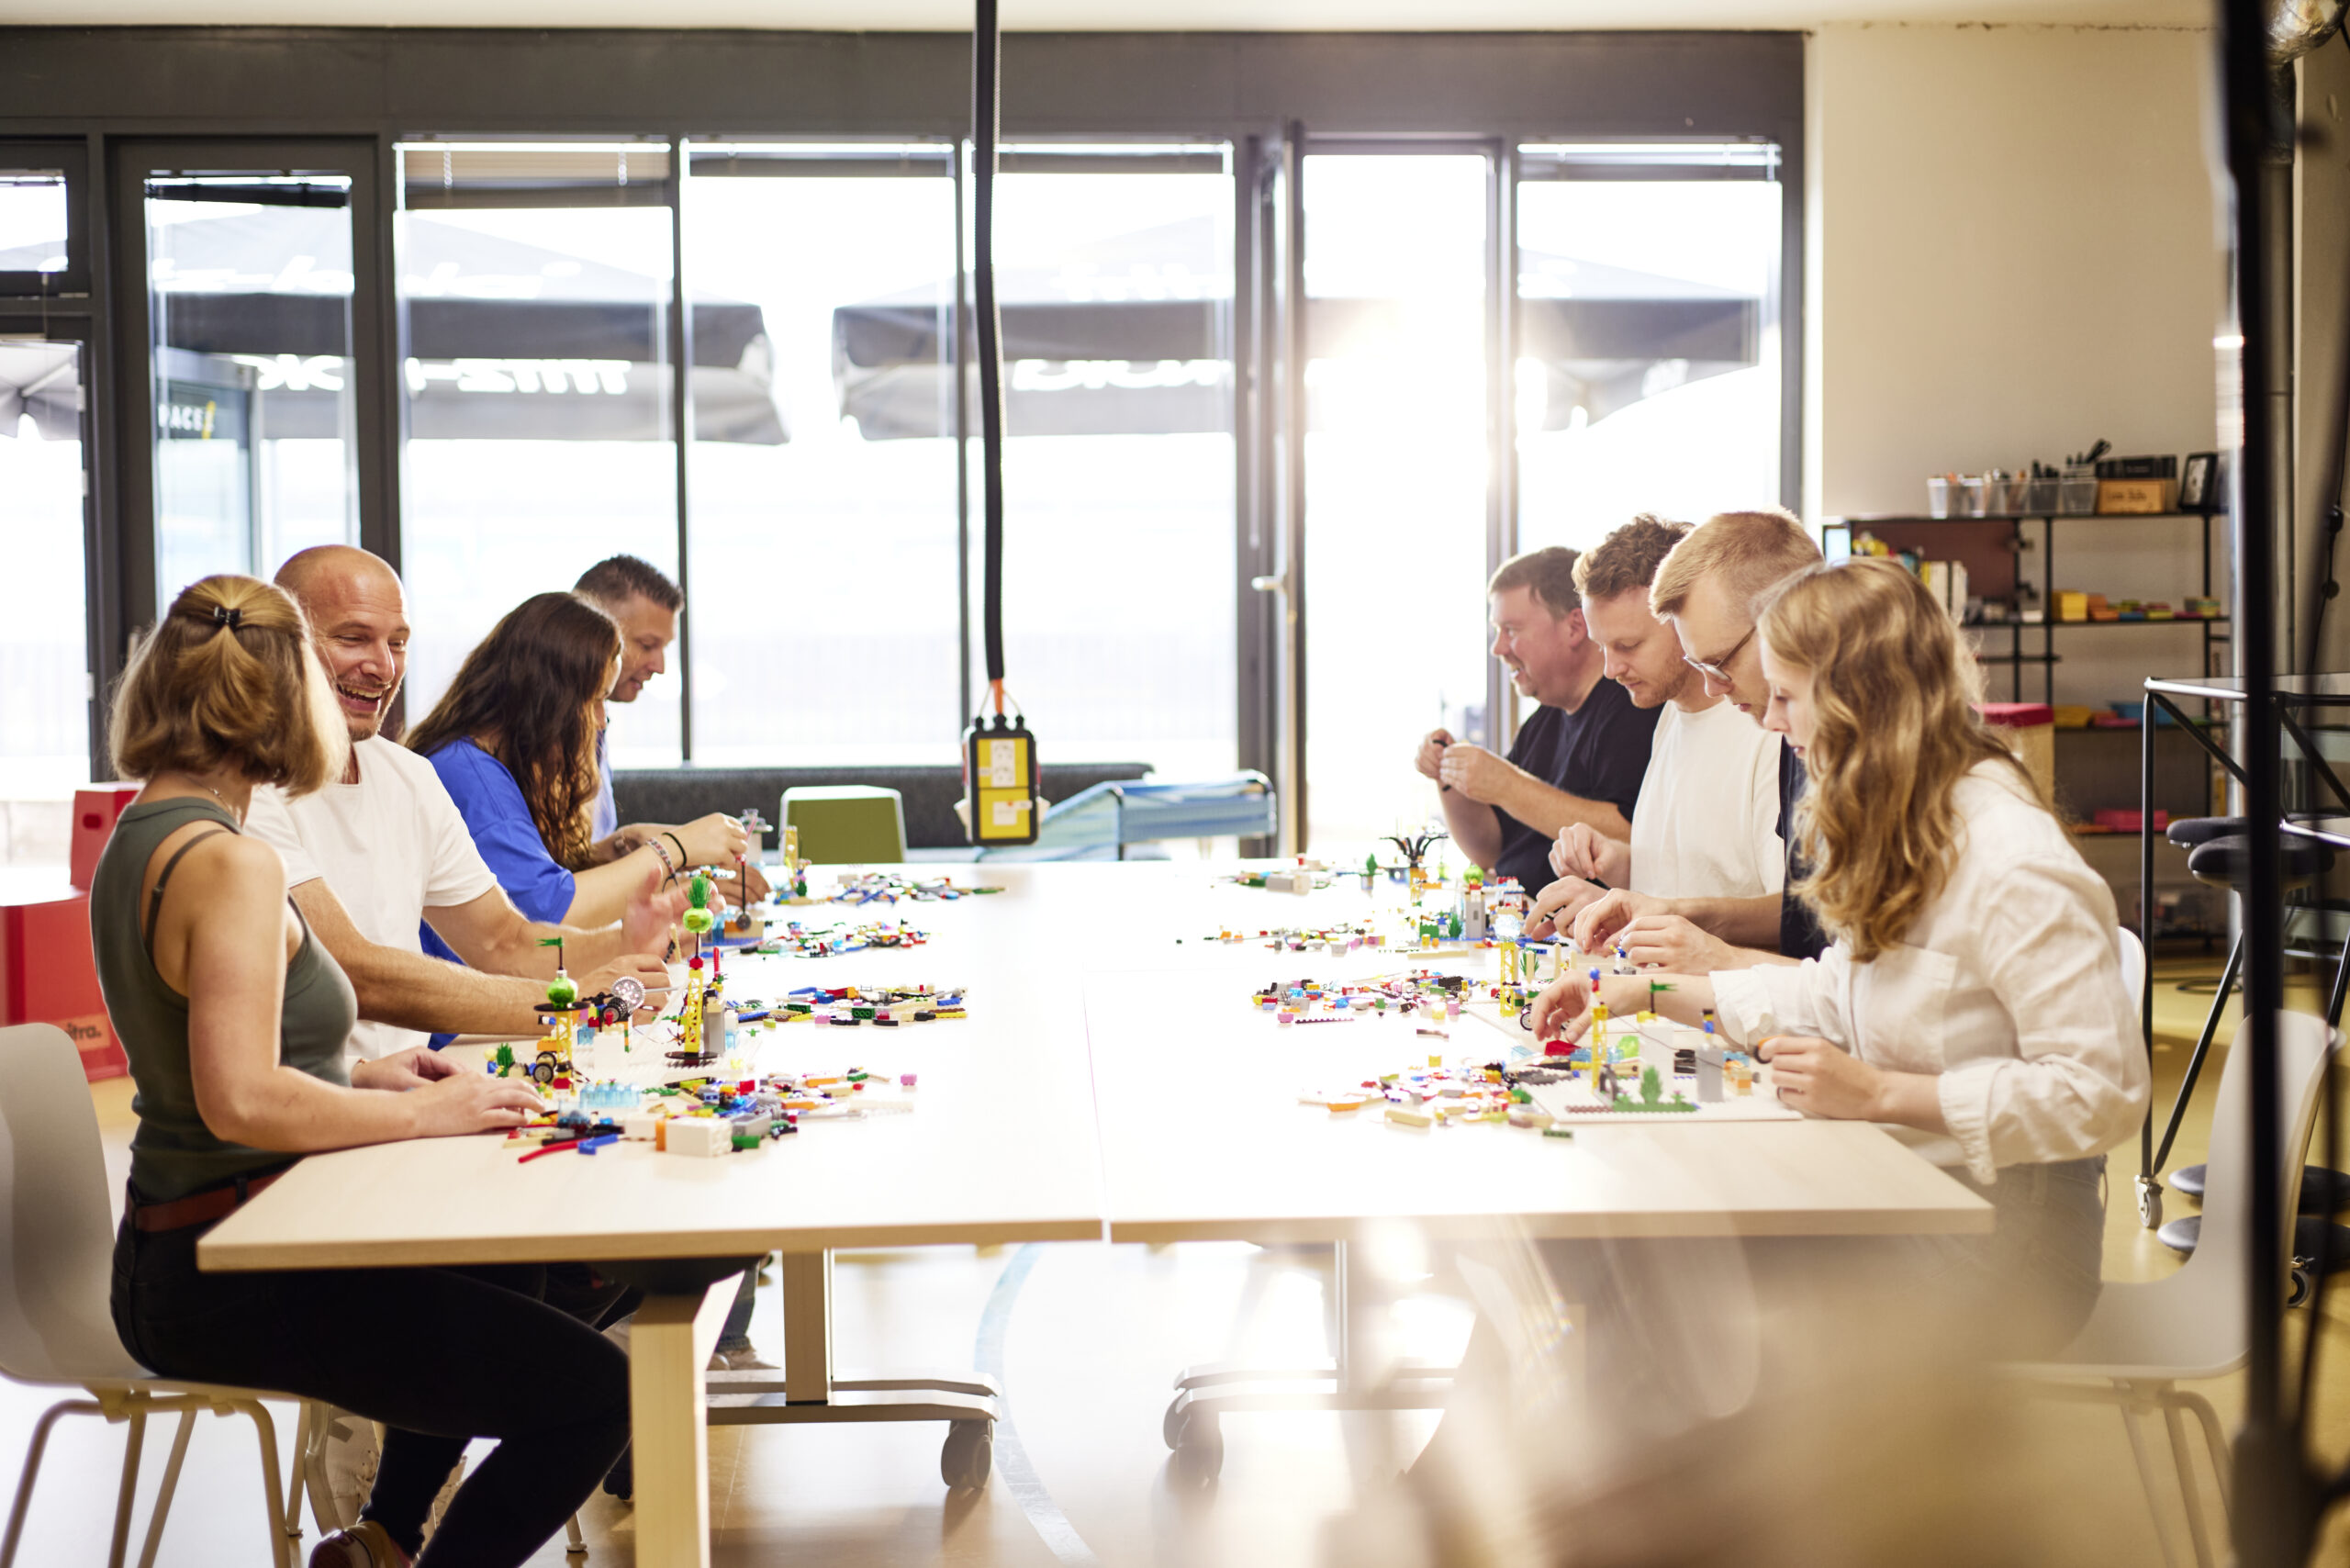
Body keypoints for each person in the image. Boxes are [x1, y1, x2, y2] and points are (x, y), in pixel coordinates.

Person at [96, 575, 627, 1568]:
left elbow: (210, 1071)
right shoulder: (233, 861)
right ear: (289, 700)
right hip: (234, 1265)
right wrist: (431, 1117)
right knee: (599, 1395)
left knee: (532, 1269)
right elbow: (240, 1096)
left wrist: (368, 1088)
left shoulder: (144, 834)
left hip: (205, 1242)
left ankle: (385, 1536)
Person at [1530, 559, 2149, 1350]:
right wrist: (1638, 993)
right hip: (1911, 1183)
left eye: (1786, 699)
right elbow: (1836, 998)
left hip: (2008, 1248)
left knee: (1677, 1293)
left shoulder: (2009, 859)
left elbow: (2104, 1094)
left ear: (1863, 701)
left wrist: (1880, 1094)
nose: (1773, 724)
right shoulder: (1903, 819)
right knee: (1628, 1262)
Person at [244, 546, 677, 1070]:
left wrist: (621, 942)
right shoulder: (248, 789)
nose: (382, 666)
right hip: (320, 1109)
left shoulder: (408, 776)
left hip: (414, 1088)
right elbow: (355, 971)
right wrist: (574, 1002)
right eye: (353, 638)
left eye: (398, 643)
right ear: (280, 643)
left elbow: (504, 940)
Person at [1540, 508, 1824, 971]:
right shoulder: (1670, 714)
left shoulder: (1772, 728)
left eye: (1628, 646)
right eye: (1602, 647)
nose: (1610, 670)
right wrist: (1623, 870)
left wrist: (1673, 917)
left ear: (1678, 620)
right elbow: (1704, 872)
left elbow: (1798, 915)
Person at [405, 592, 752, 962]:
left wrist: (604, 854)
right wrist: (675, 849)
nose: (601, 719)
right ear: (549, 700)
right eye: (595, 700)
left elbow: (521, 877)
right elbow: (546, 914)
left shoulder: (481, 761)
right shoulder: (468, 777)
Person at [1413, 546, 1660, 890]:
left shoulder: (1631, 708)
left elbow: (1634, 839)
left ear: (1575, 627)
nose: (1498, 648)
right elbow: (1488, 852)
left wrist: (1508, 785)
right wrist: (1449, 777)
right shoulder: (1542, 721)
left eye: (1511, 629)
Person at [572, 555, 770, 907]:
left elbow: (580, 864)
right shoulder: (527, 751)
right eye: (647, 645)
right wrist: (675, 866)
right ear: (590, 633)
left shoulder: (595, 724)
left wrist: (681, 877)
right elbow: (551, 900)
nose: (660, 667)